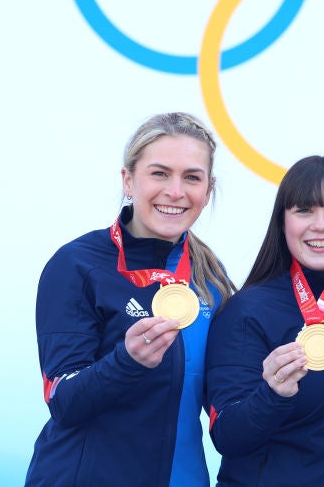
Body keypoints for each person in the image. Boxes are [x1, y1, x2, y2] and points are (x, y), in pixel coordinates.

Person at [26, 112, 236, 487]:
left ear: (208, 189)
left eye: (191, 177)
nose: (175, 191)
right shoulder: (77, 265)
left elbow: (225, 405)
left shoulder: (211, 279)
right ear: (128, 180)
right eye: (159, 173)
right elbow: (63, 401)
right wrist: (127, 361)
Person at [205, 155, 324, 487]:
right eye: (304, 210)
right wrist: (272, 395)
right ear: (283, 222)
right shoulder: (247, 312)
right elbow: (227, 436)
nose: (321, 224)